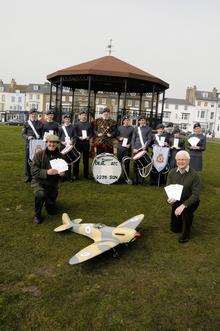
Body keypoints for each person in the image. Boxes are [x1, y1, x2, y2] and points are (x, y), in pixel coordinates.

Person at [166, 150, 201, 243]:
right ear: (176, 160)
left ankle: (186, 234)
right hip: (177, 200)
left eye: (183, 160)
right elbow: (168, 188)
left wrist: (183, 205)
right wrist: (170, 199)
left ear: (188, 161)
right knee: (175, 229)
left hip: (191, 201)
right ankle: (181, 222)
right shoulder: (172, 173)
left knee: (186, 212)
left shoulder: (195, 175)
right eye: (179, 159)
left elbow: (196, 195)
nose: (181, 162)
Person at [31, 134, 66, 224]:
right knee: (40, 194)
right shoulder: (39, 155)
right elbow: (33, 171)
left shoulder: (61, 156)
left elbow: (64, 174)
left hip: (53, 183)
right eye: (50, 142)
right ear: (46, 143)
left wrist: (62, 174)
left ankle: (49, 205)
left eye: (55, 142)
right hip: (39, 182)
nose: (52, 144)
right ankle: (37, 215)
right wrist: (46, 172)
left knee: (51, 205)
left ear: (57, 144)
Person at [22, 108, 43, 183]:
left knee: (38, 160)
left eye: (35, 114)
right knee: (28, 160)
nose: (34, 115)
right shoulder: (26, 123)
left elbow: (42, 134)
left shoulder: (40, 123)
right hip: (29, 144)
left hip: (38, 144)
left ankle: (37, 175)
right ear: (30, 114)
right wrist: (28, 137)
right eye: (32, 114)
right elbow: (23, 134)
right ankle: (28, 176)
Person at [131, 115, 152, 184]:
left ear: (145, 121)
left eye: (143, 120)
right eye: (141, 120)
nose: (142, 121)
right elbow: (133, 139)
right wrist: (133, 148)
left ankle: (141, 180)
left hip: (143, 149)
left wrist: (145, 146)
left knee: (143, 165)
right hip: (136, 149)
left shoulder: (148, 129)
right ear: (139, 121)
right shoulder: (136, 128)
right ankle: (135, 180)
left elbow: (149, 139)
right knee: (135, 164)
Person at [73, 108, 93, 179]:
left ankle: (86, 174)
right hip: (78, 144)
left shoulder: (89, 124)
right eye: (82, 115)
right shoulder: (76, 124)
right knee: (76, 159)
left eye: (85, 115)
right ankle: (75, 175)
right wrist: (78, 137)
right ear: (79, 116)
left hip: (86, 144)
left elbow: (91, 133)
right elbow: (74, 134)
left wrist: (89, 137)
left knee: (86, 160)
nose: (84, 116)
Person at [116, 115, 134, 182]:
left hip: (127, 148)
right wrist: (119, 138)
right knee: (119, 162)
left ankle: (126, 177)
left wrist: (130, 144)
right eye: (125, 120)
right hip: (120, 148)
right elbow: (116, 135)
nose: (126, 121)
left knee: (126, 163)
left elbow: (133, 138)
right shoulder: (119, 128)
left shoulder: (132, 128)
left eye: (128, 120)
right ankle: (118, 177)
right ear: (123, 121)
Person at [59, 113, 76, 180]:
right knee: (63, 161)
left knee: (69, 161)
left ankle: (68, 176)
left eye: (68, 119)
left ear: (70, 120)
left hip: (70, 147)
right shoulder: (60, 128)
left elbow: (75, 136)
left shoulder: (73, 127)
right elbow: (59, 137)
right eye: (66, 119)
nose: (67, 120)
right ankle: (62, 176)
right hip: (63, 146)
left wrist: (72, 141)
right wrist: (61, 141)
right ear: (63, 119)